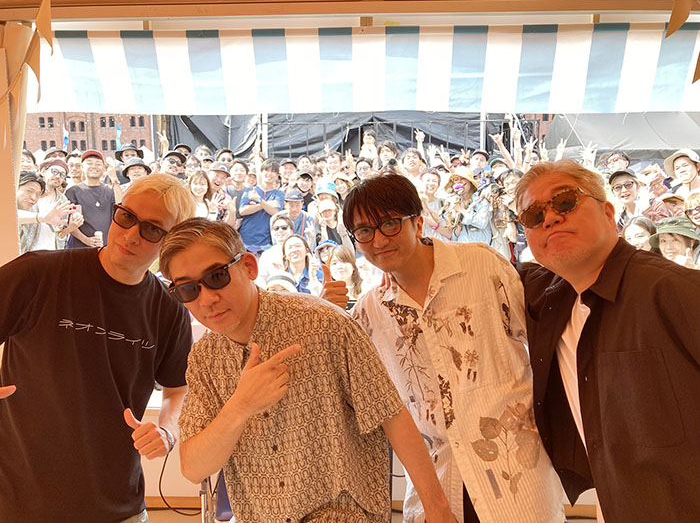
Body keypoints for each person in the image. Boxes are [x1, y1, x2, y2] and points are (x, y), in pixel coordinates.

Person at [158, 218, 457, 523]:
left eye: (217, 276)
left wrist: (437, 509)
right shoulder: (204, 358)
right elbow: (193, 468)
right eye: (188, 289)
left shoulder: (324, 324)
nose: (207, 299)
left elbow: (391, 414)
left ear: (248, 266)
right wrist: (240, 406)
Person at [327, 174, 566, 522]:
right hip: (437, 484)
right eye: (364, 231)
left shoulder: (480, 265)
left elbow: (542, 345)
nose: (378, 240)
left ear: (418, 221)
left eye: (390, 224)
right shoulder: (369, 311)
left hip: (515, 472)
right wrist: (325, 311)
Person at [0, 174, 196, 522]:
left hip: (118, 505)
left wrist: (167, 430)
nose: (131, 235)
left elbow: (177, 388)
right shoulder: (38, 273)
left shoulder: (169, 309)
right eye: (126, 216)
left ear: (171, 242)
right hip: (17, 501)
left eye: (152, 229)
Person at [514, 159, 700, 522]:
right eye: (533, 216)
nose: (549, 218)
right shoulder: (545, 298)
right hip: (615, 505)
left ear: (608, 212)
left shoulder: (675, 291)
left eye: (565, 201)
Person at [65, 149, 123, 248]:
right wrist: (85, 240)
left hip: (106, 247)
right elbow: (69, 223)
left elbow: (121, 207)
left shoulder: (110, 190)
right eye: (89, 163)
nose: (94, 166)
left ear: (104, 168)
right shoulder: (73, 191)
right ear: (82, 167)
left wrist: (114, 179)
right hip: (81, 248)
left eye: (98, 164)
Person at [238, 158, 285, 254]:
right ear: (261, 172)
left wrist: (258, 200)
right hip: (245, 240)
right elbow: (243, 211)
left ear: (277, 175)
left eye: (273, 171)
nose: (269, 174)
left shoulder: (279, 193)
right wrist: (266, 204)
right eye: (266, 170)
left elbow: (276, 212)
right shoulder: (250, 190)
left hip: (265, 242)